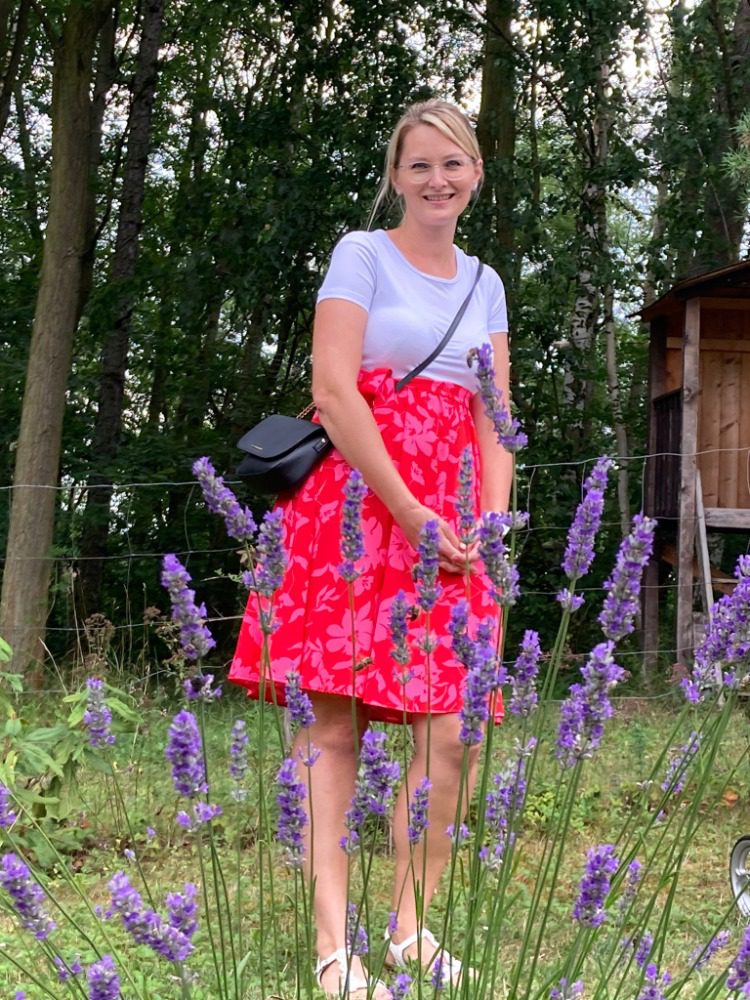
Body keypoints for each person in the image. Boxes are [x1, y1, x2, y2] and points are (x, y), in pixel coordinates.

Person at [229, 98, 513, 999]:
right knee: (334, 726)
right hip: (354, 507)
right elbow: (333, 390)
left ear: (475, 174)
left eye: (452, 163)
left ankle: (409, 930)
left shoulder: (486, 284)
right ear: (395, 176)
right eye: (418, 164)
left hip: (453, 529)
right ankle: (331, 945)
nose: (437, 179)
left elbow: (496, 418)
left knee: (452, 731)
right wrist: (406, 508)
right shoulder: (362, 254)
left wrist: (491, 526)